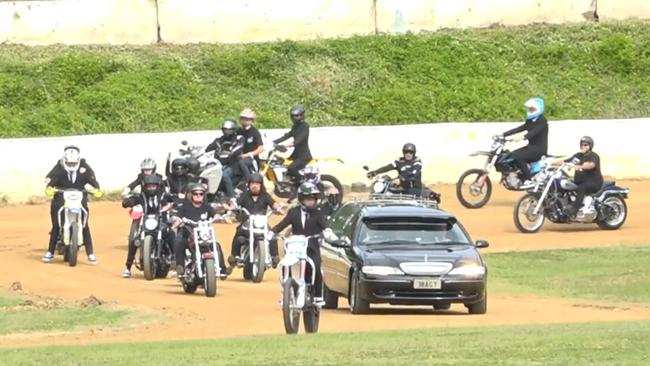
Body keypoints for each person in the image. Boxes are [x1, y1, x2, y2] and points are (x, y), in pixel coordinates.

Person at [270, 182, 332, 301]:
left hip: (311, 248)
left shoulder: (318, 213)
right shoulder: (294, 212)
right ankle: (285, 292)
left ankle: (318, 295)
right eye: (308, 199)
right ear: (301, 199)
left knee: (316, 266)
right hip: (294, 248)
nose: (311, 201)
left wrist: (327, 231)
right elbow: (282, 224)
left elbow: (325, 225)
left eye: (313, 199)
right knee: (284, 265)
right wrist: (272, 232)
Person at [42, 146, 102, 264]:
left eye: (74, 163)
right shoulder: (59, 166)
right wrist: (49, 185)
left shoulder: (84, 166)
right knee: (56, 225)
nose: (71, 165)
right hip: (61, 195)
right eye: (69, 163)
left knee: (84, 224)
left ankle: (90, 253)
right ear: (64, 160)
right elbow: (51, 177)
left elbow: (92, 179)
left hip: (79, 196)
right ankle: (50, 252)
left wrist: (96, 188)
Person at [120, 174, 175, 278]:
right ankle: (128, 267)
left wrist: (173, 203)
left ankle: (174, 259)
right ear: (145, 187)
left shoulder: (163, 196)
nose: (151, 189)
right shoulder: (142, 196)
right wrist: (127, 202)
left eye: (153, 186)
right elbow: (133, 200)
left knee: (171, 234)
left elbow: (173, 200)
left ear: (157, 186)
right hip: (147, 223)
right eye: (148, 186)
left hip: (161, 222)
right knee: (134, 242)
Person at [227, 173, 284, 270]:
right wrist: (232, 208)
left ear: (261, 185)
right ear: (249, 185)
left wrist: (279, 209)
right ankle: (234, 255)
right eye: (252, 183)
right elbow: (235, 204)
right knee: (239, 235)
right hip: (247, 224)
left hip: (261, 223)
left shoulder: (265, 196)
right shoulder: (244, 196)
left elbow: (274, 204)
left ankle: (275, 257)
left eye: (257, 184)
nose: (254, 186)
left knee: (272, 236)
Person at [171, 183, 228, 279]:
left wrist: (217, 217)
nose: (198, 196)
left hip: (204, 236)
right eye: (195, 194)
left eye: (201, 194)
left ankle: (222, 270)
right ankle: (180, 267)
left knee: (216, 245)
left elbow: (215, 214)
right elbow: (177, 217)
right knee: (179, 243)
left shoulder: (207, 207)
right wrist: (177, 221)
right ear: (191, 195)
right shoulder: (185, 207)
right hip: (188, 236)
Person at [366, 143, 441, 202]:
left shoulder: (417, 162)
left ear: (414, 153)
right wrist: (375, 172)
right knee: (386, 192)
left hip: (413, 190)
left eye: (411, 152)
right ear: (403, 152)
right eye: (406, 152)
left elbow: (414, 175)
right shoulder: (399, 161)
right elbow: (388, 167)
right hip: (402, 188)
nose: (408, 154)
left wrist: (401, 180)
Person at [500, 97, 549, 182]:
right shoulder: (530, 121)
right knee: (511, 155)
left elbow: (533, 132)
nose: (530, 111)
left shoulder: (542, 122)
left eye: (532, 109)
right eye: (529, 109)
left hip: (539, 150)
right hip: (530, 147)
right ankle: (518, 175)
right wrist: (503, 134)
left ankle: (528, 179)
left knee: (518, 157)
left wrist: (521, 138)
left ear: (539, 109)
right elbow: (519, 128)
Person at [557, 136, 603, 217]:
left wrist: (579, 166)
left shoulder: (594, 156)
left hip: (594, 182)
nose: (583, 146)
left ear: (590, 146)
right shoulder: (578, 156)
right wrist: (549, 163)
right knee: (565, 185)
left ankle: (574, 209)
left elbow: (591, 165)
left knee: (581, 188)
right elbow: (566, 161)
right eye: (582, 145)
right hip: (580, 181)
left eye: (585, 145)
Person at [205, 119, 245, 201]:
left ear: (233, 130)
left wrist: (231, 152)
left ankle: (232, 198)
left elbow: (239, 148)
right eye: (225, 129)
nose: (226, 131)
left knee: (224, 175)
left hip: (234, 164)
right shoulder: (219, 140)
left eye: (229, 130)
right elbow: (208, 149)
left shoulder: (239, 138)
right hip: (220, 164)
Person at [273, 105, 313, 184]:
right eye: (293, 116)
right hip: (296, 155)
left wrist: (288, 145)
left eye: (296, 116)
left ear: (302, 115)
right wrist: (274, 142)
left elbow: (300, 139)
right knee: (281, 164)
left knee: (291, 168)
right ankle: (290, 185)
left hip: (303, 156)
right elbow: (287, 136)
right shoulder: (295, 127)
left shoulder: (305, 127)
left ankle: (303, 182)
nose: (294, 118)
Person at [237, 108, 264, 180]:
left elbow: (260, 149)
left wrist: (247, 155)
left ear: (251, 120)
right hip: (239, 156)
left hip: (252, 159)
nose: (244, 120)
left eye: (246, 119)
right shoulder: (238, 131)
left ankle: (249, 180)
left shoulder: (254, 132)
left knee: (241, 162)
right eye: (242, 118)